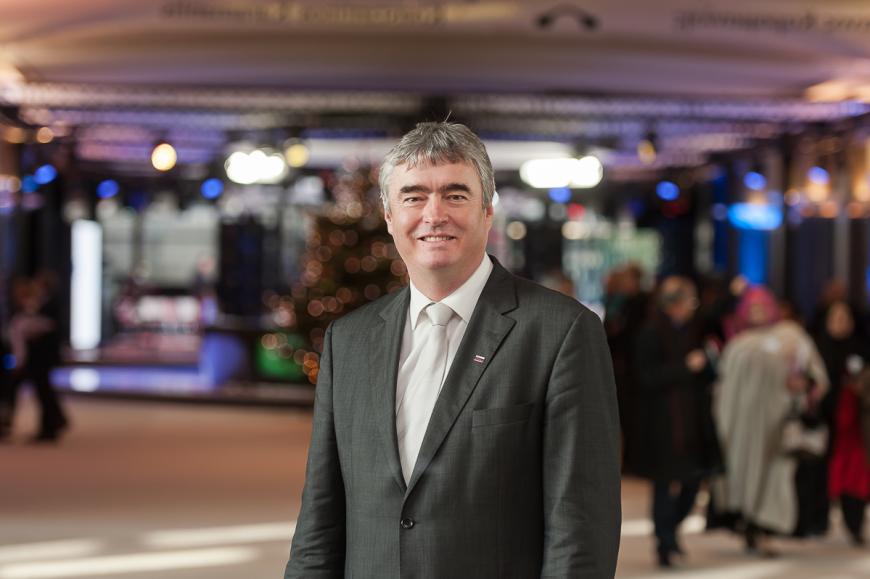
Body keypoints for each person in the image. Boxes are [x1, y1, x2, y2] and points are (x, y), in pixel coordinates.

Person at [285, 122, 622, 578]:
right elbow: (319, 522)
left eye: (455, 195)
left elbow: (580, 531)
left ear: (487, 210)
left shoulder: (561, 332)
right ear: (389, 215)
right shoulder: (348, 341)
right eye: (413, 197)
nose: (434, 214)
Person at [713, 286, 828, 556]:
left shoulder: (791, 336)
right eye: (752, 308)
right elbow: (725, 386)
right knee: (745, 473)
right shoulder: (739, 344)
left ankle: (766, 527)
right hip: (743, 424)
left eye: (763, 307)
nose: (758, 313)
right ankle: (750, 525)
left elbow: (816, 375)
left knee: (776, 475)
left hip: (778, 421)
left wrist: (805, 384)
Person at [633, 276, 719, 567]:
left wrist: (706, 365)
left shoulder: (695, 331)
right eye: (688, 301)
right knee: (663, 485)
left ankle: (670, 533)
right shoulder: (650, 332)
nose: (692, 307)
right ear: (673, 304)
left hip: (692, 421)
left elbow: (706, 372)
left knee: (693, 483)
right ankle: (665, 542)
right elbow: (646, 377)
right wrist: (685, 367)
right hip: (662, 422)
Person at [5, 276, 68, 442]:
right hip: (34, 359)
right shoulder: (33, 307)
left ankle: (51, 425)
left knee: (43, 391)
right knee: (43, 391)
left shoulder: (47, 306)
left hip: (40, 359)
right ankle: (55, 422)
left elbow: (51, 328)